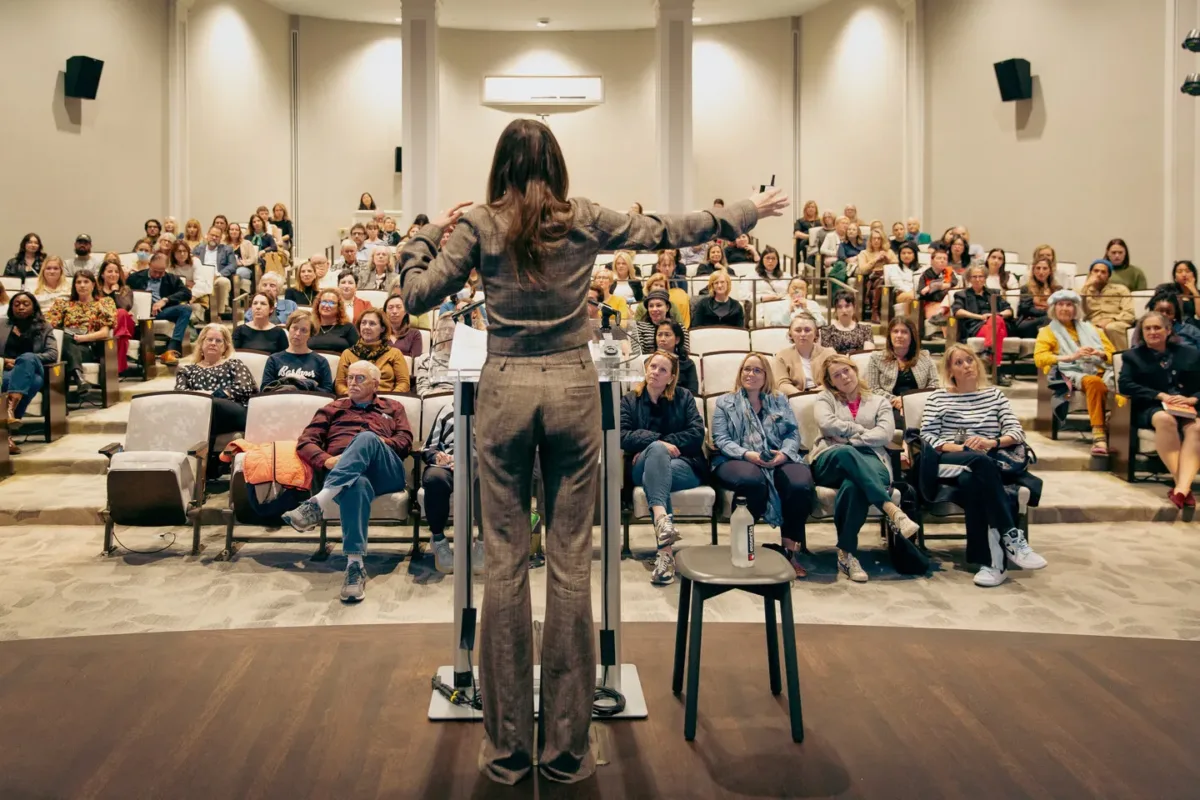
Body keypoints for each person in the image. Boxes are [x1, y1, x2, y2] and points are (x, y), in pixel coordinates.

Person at [397, 118, 783, 785]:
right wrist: (745, 211)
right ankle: (568, 752)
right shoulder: (584, 217)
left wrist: (428, 231)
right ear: (557, 161)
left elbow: (413, 295)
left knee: (507, 568)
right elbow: (670, 228)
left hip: (505, 389)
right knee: (573, 566)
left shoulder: (480, 224)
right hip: (575, 388)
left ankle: (509, 751)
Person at [919, 344, 1047, 587]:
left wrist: (992, 441)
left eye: (969, 360)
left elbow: (1016, 432)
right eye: (959, 363)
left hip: (987, 462)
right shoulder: (938, 397)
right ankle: (1012, 536)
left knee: (974, 480)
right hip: (951, 460)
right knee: (978, 462)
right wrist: (964, 449)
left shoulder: (995, 395)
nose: (966, 366)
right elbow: (928, 437)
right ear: (950, 371)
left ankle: (993, 564)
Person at [286, 360, 414, 599]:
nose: (352, 383)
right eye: (350, 378)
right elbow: (305, 442)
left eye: (359, 378)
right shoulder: (333, 408)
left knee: (365, 438)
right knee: (356, 483)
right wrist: (327, 460)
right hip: (346, 474)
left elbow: (405, 442)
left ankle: (317, 503)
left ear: (375, 384)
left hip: (386, 472)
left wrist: (375, 445)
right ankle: (355, 565)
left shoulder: (393, 407)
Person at [808, 355, 921, 583]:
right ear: (831, 382)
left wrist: (850, 439)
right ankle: (892, 510)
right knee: (847, 454)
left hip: (872, 460)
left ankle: (846, 555)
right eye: (836, 376)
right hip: (830, 458)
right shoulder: (825, 398)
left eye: (846, 371)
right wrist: (860, 430)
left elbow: (885, 434)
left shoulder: (879, 401)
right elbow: (826, 424)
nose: (843, 377)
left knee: (854, 485)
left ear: (854, 370)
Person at [710, 353, 814, 578]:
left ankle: (788, 551)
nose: (751, 374)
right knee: (752, 481)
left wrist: (784, 455)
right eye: (747, 369)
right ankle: (744, 548)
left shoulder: (779, 401)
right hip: (735, 459)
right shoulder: (725, 403)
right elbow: (721, 439)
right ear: (740, 373)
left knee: (800, 484)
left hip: (777, 457)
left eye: (757, 370)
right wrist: (747, 454)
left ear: (766, 375)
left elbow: (792, 433)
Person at [622, 351, 708, 586]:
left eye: (662, 370)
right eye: (652, 367)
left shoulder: (684, 397)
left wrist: (654, 444)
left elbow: (696, 434)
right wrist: (659, 443)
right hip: (641, 467)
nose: (655, 372)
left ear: (671, 377)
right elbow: (622, 436)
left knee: (658, 465)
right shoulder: (630, 400)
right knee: (658, 452)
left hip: (685, 466)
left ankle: (665, 553)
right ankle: (663, 522)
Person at [1119, 312, 1200, 516]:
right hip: (1151, 407)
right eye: (1148, 328)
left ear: (1168, 330)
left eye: (1157, 328)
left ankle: (1181, 489)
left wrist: (1193, 399)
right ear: (1142, 332)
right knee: (1166, 420)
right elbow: (1125, 385)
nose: (1152, 332)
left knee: (1197, 427)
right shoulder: (1132, 356)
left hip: (1186, 406)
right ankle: (1183, 486)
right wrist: (1159, 395)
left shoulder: (1189, 353)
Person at [1033, 289, 1114, 455]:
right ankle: (1099, 437)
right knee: (1094, 383)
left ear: (1076, 309)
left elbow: (1113, 355)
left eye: (1069, 305)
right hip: (1070, 372)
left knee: (1122, 381)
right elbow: (1040, 358)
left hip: (1100, 369)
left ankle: (1116, 426)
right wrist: (1071, 356)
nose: (1065, 308)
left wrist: (1100, 354)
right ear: (1054, 309)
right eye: (1060, 305)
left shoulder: (1092, 329)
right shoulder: (1048, 332)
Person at [174, 324, 257, 477]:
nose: (213, 343)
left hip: (234, 413)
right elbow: (180, 394)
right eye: (209, 339)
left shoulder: (234, 364)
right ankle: (206, 469)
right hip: (202, 417)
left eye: (219, 341)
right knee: (206, 414)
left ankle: (202, 471)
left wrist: (209, 395)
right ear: (201, 344)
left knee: (211, 405)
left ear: (225, 347)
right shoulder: (187, 370)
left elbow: (245, 388)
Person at [420, 401, 486, 574]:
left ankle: (483, 542)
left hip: (482, 463)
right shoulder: (447, 410)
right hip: (448, 464)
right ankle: (439, 540)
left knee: (486, 478)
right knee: (434, 479)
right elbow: (428, 448)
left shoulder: (494, 408)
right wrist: (437, 457)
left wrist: (470, 461)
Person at [0, 293, 57, 454]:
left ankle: (7, 419)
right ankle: (8, 424)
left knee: (27, 357)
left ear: (34, 307)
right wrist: (4, 361)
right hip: (10, 373)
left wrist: (22, 361)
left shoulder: (44, 327)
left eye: (26, 304)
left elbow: (52, 354)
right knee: (33, 383)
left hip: (33, 368)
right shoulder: (1, 325)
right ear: (11, 307)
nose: (21, 307)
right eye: (17, 304)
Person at [43, 270, 116, 395]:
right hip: (67, 343)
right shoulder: (64, 304)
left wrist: (83, 338)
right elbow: (49, 326)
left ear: (93, 285)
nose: (82, 285)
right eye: (78, 282)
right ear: (74, 286)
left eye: (86, 282)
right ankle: (78, 377)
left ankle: (63, 396)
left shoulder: (104, 303)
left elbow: (104, 332)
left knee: (64, 348)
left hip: (88, 347)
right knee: (64, 339)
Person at [127, 252, 192, 365]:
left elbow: (186, 293)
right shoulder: (135, 278)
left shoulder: (171, 279)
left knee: (186, 309)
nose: (157, 275)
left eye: (161, 272)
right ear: (149, 265)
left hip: (161, 312)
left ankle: (171, 350)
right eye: (155, 271)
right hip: (139, 313)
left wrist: (165, 300)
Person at [952, 265, 1013, 382]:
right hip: (976, 327)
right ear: (969, 279)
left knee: (997, 321)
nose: (978, 279)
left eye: (980, 276)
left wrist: (997, 315)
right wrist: (980, 317)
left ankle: (988, 351)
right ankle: (998, 372)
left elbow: (1009, 310)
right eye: (974, 277)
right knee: (998, 332)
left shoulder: (994, 294)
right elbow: (957, 311)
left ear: (985, 278)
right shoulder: (962, 295)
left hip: (996, 324)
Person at [866, 316, 940, 410]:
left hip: (918, 406)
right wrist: (896, 401)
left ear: (912, 336)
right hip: (888, 406)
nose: (899, 335)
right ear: (890, 335)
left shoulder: (925, 357)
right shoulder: (876, 358)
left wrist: (910, 401)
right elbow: (873, 389)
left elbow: (934, 385)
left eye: (904, 332)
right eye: (895, 331)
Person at [333, 309, 409, 395]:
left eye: (372, 323)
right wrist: (353, 397)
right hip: (353, 403)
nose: (366, 327)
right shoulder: (348, 354)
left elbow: (404, 383)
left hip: (385, 402)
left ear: (382, 329)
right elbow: (340, 384)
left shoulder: (394, 353)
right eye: (363, 323)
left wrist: (389, 399)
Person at [261, 311, 334, 393]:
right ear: (289, 328)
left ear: (310, 334)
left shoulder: (321, 361)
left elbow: (328, 393)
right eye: (295, 328)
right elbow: (264, 391)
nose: (298, 333)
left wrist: (307, 384)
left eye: (304, 330)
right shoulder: (274, 360)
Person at [775, 312, 834, 395]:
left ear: (816, 334)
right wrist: (802, 397)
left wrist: (813, 393)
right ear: (790, 334)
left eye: (807, 330)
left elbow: (834, 380)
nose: (802, 334)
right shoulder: (781, 356)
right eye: (798, 330)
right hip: (794, 399)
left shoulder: (829, 353)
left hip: (824, 395)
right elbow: (782, 384)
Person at [1082, 258, 1134, 350]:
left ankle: (1121, 359)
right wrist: (1086, 286)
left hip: (1117, 323)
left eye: (1103, 272)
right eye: (1096, 271)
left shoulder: (1121, 290)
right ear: (1090, 273)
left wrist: (1111, 320)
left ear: (1108, 276)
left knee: (1112, 328)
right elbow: (1077, 313)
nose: (1099, 274)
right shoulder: (1082, 291)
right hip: (1092, 325)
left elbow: (1129, 314)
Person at [196, 226, 243, 317]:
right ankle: (200, 314)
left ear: (221, 238)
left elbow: (233, 265)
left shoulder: (226, 249)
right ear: (207, 235)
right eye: (212, 235)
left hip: (217, 277)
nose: (214, 238)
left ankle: (218, 314)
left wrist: (219, 274)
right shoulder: (199, 248)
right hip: (200, 277)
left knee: (224, 282)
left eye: (217, 236)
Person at [97, 258, 135, 373]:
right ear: (102, 274)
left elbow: (125, 307)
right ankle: (115, 370)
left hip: (123, 325)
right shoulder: (96, 290)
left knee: (122, 313)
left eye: (116, 272)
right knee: (121, 318)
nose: (113, 274)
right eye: (109, 271)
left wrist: (115, 292)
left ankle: (113, 370)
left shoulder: (125, 290)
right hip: (101, 324)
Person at [630, 289, 689, 355]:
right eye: (651, 306)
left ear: (667, 307)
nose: (654, 309)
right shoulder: (639, 328)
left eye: (658, 305)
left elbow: (684, 353)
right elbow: (638, 355)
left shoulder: (680, 327)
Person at [1013, 256, 1060, 338]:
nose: (1041, 272)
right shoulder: (1026, 288)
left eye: (1045, 268)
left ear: (1050, 271)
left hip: (1051, 321)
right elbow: (1025, 309)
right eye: (1038, 268)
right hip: (1030, 321)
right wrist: (1047, 313)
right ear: (1033, 270)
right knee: (1050, 320)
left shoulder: (1057, 290)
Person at [917, 247, 961, 331]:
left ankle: (940, 313)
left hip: (947, 301)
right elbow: (921, 291)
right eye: (939, 258)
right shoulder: (925, 275)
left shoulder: (949, 272)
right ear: (932, 260)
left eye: (945, 259)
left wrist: (940, 286)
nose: (942, 260)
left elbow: (954, 283)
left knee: (953, 294)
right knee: (948, 314)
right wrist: (930, 288)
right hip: (931, 302)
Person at [860, 229, 898, 322]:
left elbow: (897, 266)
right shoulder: (864, 253)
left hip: (888, 276)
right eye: (874, 239)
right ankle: (875, 310)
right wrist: (875, 260)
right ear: (870, 241)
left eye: (879, 239)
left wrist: (887, 259)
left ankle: (876, 310)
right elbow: (863, 269)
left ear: (882, 240)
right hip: (872, 277)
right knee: (881, 281)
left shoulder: (889, 252)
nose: (876, 241)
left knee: (884, 280)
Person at [414, 314, 456, 396]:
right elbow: (422, 389)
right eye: (444, 329)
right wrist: (433, 395)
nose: (447, 332)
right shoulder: (426, 359)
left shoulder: (467, 359)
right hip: (434, 399)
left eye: (451, 329)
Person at [653, 319, 698, 395]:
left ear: (677, 340)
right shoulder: (648, 362)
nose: (662, 339)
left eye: (667, 335)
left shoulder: (688, 364)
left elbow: (692, 392)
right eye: (659, 335)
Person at [884, 241, 922, 308]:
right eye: (903, 253)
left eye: (909, 253)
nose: (906, 255)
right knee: (912, 296)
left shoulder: (922, 268)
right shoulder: (894, 268)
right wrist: (913, 292)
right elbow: (899, 284)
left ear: (915, 255)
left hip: (918, 292)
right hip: (901, 294)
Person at [793, 200, 820, 264]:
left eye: (813, 207)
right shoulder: (800, 221)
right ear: (805, 210)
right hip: (805, 241)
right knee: (803, 243)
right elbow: (797, 233)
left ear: (816, 209)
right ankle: (806, 261)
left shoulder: (820, 221)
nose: (811, 209)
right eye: (809, 207)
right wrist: (810, 237)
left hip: (818, 241)